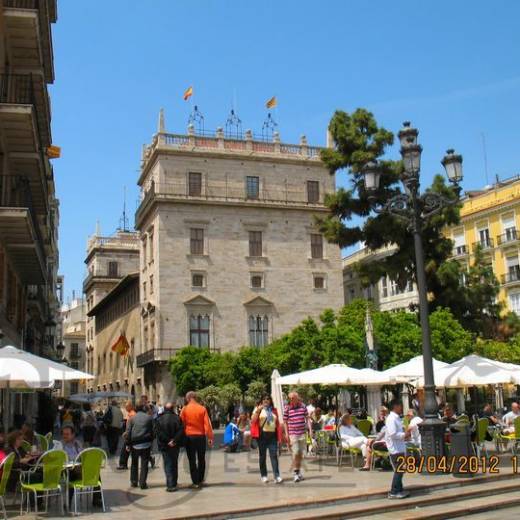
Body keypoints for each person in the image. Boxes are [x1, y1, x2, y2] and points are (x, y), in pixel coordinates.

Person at [180, 391, 214, 488]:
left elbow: (181, 424)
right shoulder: (202, 409)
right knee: (201, 458)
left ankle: (195, 482)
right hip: (200, 436)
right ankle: (200, 479)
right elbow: (207, 424)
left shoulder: (184, 409)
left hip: (189, 436)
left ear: (188, 398)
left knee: (191, 459)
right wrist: (210, 437)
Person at [251, 395, 283, 484]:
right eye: (264, 399)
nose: (266, 400)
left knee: (274, 456)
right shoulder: (258, 409)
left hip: (272, 435)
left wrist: (280, 437)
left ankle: (277, 476)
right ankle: (264, 475)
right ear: (261, 401)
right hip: (262, 436)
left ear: (270, 400)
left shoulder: (274, 410)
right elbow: (253, 421)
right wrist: (258, 410)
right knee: (262, 456)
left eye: (267, 399)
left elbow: (277, 424)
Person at [283, 391, 312, 483]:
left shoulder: (303, 406)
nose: (291, 399)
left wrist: (310, 430)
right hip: (293, 434)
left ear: (297, 397)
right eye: (290, 398)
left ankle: (298, 472)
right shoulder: (287, 408)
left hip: (302, 433)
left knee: (301, 454)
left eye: (292, 398)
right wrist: (287, 434)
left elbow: (307, 419)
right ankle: (296, 473)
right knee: (296, 453)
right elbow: (285, 421)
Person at [155, 402, 184, 492]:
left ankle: (170, 485)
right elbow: (181, 431)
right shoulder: (177, 418)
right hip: (175, 445)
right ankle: (173, 483)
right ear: (172, 408)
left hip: (165, 445)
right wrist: (174, 440)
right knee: (174, 463)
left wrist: (168, 441)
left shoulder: (159, 419)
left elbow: (159, 433)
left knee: (167, 464)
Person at [385, 399, 410, 499]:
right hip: (395, 449)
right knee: (399, 470)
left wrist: (405, 435)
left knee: (401, 469)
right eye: (400, 406)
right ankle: (394, 491)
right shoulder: (391, 418)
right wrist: (405, 434)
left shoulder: (396, 418)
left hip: (399, 447)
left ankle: (399, 489)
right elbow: (393, 434)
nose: (402, 408)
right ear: (395, 406)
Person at [125, 404, 154, 489]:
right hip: (146, 443)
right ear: (144, 409)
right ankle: (143, 483)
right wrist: (151, 440)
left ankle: (134, 481)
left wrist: (127, 444)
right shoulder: (149, 418)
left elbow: (128, 432)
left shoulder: (131, 419)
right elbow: (153, 430)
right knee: (144, 464)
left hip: (135, 444)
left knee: (134, 463)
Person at [117, 401, 136, 470]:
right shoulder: (130, 414)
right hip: (131, 434)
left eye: (126, 407)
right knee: (132, 450)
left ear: (130, 407)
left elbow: (131, 426)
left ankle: (123, 464)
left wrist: (126, 433)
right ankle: (150, 458)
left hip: (130, 435)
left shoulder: (132, 414)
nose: (125, 408)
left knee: (125, 450)